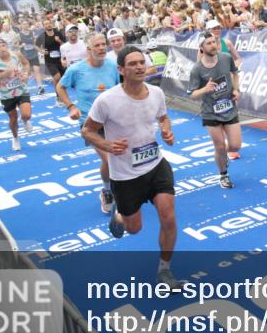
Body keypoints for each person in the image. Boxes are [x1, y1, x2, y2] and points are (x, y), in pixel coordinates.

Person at [83, 47, 182, 288]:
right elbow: (87, 131)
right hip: (126, 175)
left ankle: (164, 270)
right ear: (121, 70)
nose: (139, 67)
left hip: (156, 165)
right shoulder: (106, 100)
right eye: (133, 64)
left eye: (142, 62)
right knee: (134, 228)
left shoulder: (156, 93)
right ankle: (119, 215)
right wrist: (107, 144)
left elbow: (163, 117)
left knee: (168, 219)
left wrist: (167, 131)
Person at [57, 34, 121, 214]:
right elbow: (60, 87)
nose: (101, 48)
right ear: (89, 50)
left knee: (118, 159)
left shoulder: (112, 66)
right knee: (110, 159)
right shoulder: (76, 69)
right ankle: (109, 192)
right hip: (91, 125)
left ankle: (110, 190)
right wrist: (70, 106)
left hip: (114, 121)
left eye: (103, 45)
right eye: (97, 45)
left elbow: (118, 89)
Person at [188, 31, 242, 188]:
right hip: (210, 112)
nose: (213, 45)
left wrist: (235, 89)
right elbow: (192, 95)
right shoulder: (197, 69)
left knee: (235, 146)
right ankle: (223, 175)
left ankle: (220, 153)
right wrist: (205, 89)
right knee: (219, 147)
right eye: (209, 43)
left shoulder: (225, 58)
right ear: (202, 48)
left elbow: (235, 74)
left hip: (229, 108)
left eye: (214, 42)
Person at [0, 38, 33, 151]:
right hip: (6, 94)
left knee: (26, 114)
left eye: (3, 45)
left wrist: (26, 74)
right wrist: (2, 75)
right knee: (13, 118)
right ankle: (15, 138)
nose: (2, 48)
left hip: (21, 89)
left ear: (7, 46)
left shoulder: (16, 54)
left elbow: (26, 63)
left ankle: (25, 120)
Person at [36, 18, 65, 103]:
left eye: (49, 23)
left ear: (51, 24)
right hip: (49, 60)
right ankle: (58, 97)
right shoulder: (42, 36)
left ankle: (60, 95)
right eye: (46, 24)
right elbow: (36, 45)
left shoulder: (58, 33)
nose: (48, 25)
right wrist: (41, 51)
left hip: (60, 60)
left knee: (61, 79)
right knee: (57, 77)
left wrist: (59, 41)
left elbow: (65, 44)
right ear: (44, 26)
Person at [17, 21, 45, 94]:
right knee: (27, 73)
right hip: (25, 56)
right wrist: (21, 46)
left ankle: (40, 87)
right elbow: (16, 45)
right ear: (21, 25)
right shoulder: (19, 35)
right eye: (24, 24)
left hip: (34, 54)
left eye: (26, 24)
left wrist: (41, 51)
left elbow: (35, 44)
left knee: (37, 70)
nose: (25, 25)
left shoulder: (32, 32)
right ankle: (25, 88)